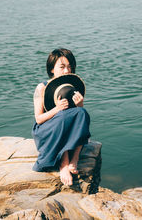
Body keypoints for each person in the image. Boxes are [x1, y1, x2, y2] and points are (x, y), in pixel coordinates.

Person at [32, 48, 91, 186]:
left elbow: (77, 119)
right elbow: (39, 119)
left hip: (65, 126)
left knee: (83, 113)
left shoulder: (71, 85)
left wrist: (80, 105)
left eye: (70, 67)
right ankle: (63, 164)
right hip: (47, 128)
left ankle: (74, 159)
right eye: (62, 67)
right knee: (63, 117)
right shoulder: (42, 87)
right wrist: (57, 109)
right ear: (52, 69)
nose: (67, 71)